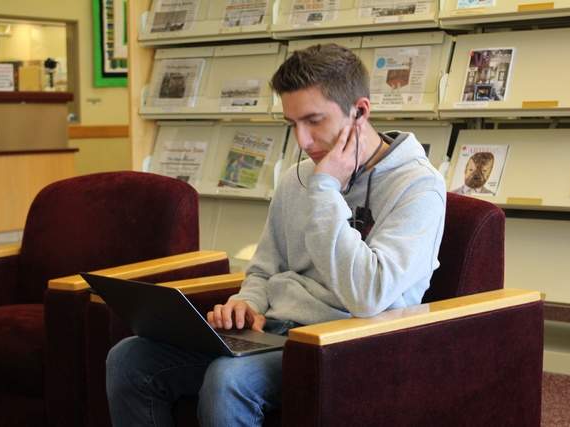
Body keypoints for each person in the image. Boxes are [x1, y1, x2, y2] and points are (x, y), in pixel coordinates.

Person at [106, 43, 446, 427]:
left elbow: (368, 296)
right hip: (272, 332)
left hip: (347, 342)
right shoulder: (295, 179)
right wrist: (246, 303)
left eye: (314, 120)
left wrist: (324, 192)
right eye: (293, 124)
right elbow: (264, 270)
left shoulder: (418, 187)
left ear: (360, 112)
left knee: (227, 380)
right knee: (130, 358)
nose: (302, 141)